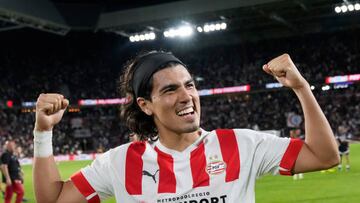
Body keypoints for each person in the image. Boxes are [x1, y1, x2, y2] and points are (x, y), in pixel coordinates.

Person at [32, 52, 339, 203]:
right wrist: (43, 133)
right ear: (145, 105)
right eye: (169, 90)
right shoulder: (121, 162)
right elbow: (54, 200)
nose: (186, 96)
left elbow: (324, 156)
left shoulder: (241, 145)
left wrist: (301, 87)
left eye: (189, 85)